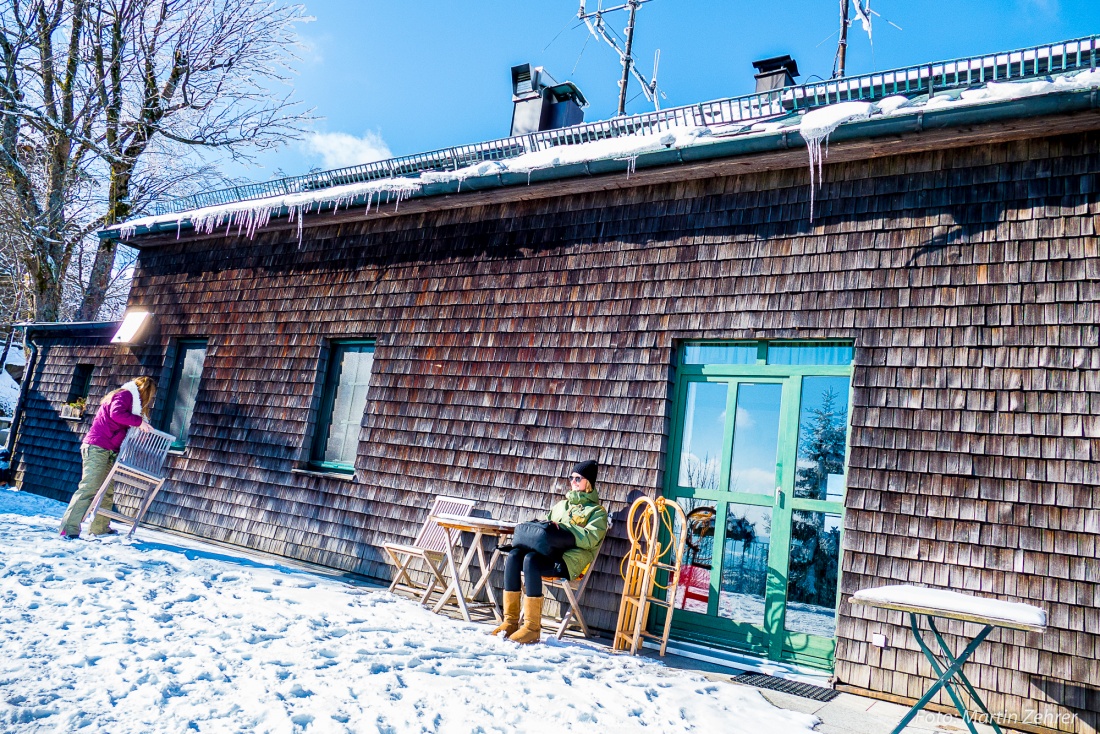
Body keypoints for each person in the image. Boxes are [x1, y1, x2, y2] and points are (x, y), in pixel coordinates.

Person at [491, 459, 609, 644]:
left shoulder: (597, 512)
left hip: (568, 561)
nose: (573, 481)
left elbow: (590, 539)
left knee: (531, 560)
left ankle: (531, 628)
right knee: (514, 556)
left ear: (589, 482)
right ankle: (511, 622)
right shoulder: (561, 506)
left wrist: (564, 530)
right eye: (571, 478)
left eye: (578, 478)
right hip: (550, 553)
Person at [58, 377, 157, 539]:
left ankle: (100, 528)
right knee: (89, 488)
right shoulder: (126, 395)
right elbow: (116, 414)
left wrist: (138, 430)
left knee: (107, 491)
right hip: (98, 447)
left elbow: (119, 423)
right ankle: (67, 528)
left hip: (109, 450)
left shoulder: (128, 400)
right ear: (144, 391)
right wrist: (138, 422)